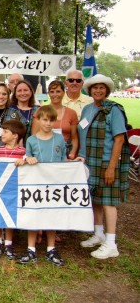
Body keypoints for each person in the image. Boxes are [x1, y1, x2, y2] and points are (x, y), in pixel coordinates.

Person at [77, 74, 130, 259]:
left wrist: (111, 167)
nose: (98, 91)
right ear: (90, 90)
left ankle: (111, 243)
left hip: (107, 162)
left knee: (108, 202)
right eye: (95, 88)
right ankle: (98, 234)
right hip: (89, 162)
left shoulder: (113, 110)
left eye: (102, 88)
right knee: (95, 200)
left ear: (106, 91)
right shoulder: (87, 109)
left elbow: (119, 139)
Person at [17, 105, 67, 266]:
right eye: (45, 120)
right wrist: (27, 160)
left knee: (51, 217)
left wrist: (76, 164)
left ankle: (51, 248)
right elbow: (26, 159)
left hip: (54, 186)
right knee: (35, 215)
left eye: (52, 120)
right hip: (36, 186)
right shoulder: (31, 140)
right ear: (38, 120)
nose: (48, 123)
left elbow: (64, 160)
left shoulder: (59, 139)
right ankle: (31, 248)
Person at [0, 120, 26, 260]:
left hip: (12, 190)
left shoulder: (22, 152)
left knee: (9, 216)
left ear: (15, 135)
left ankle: (9, 244)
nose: (2, 134)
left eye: (5, 131)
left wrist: (24, 162)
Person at [32, 80, 79, 159]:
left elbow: (74, 138)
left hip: (65, 152)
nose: (55, 94)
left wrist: (72, 153)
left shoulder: (71, 113)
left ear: (63, 93)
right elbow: (34, 135)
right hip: (44, 151)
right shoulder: (40, 111)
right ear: (49, 94)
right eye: (52, 92)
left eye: (58, 91)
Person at [0, 83, 25, 147]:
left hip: (10, 153)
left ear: (8, 97)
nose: (1, 96)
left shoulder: (15, 113)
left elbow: (20, 137)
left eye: (4, 94)